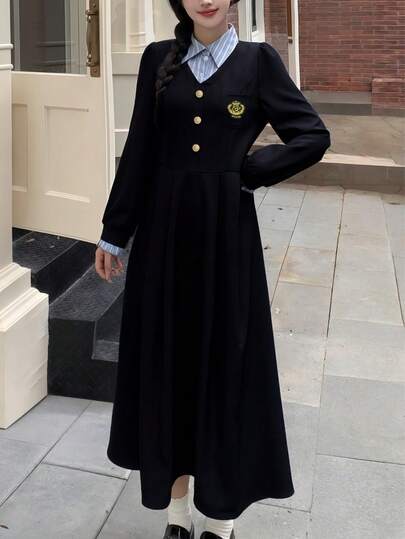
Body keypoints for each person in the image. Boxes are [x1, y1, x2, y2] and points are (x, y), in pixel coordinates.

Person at [95, 1, 331, 538]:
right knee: (169, 364)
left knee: (227, 363)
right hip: (163, 237)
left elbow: (312, 135)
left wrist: (248, 171)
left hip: (227, 238)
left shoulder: (258, 61)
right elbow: (140, 147)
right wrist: (115, 229)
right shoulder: (158, 58)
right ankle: (176, 515)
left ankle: (220, 520)